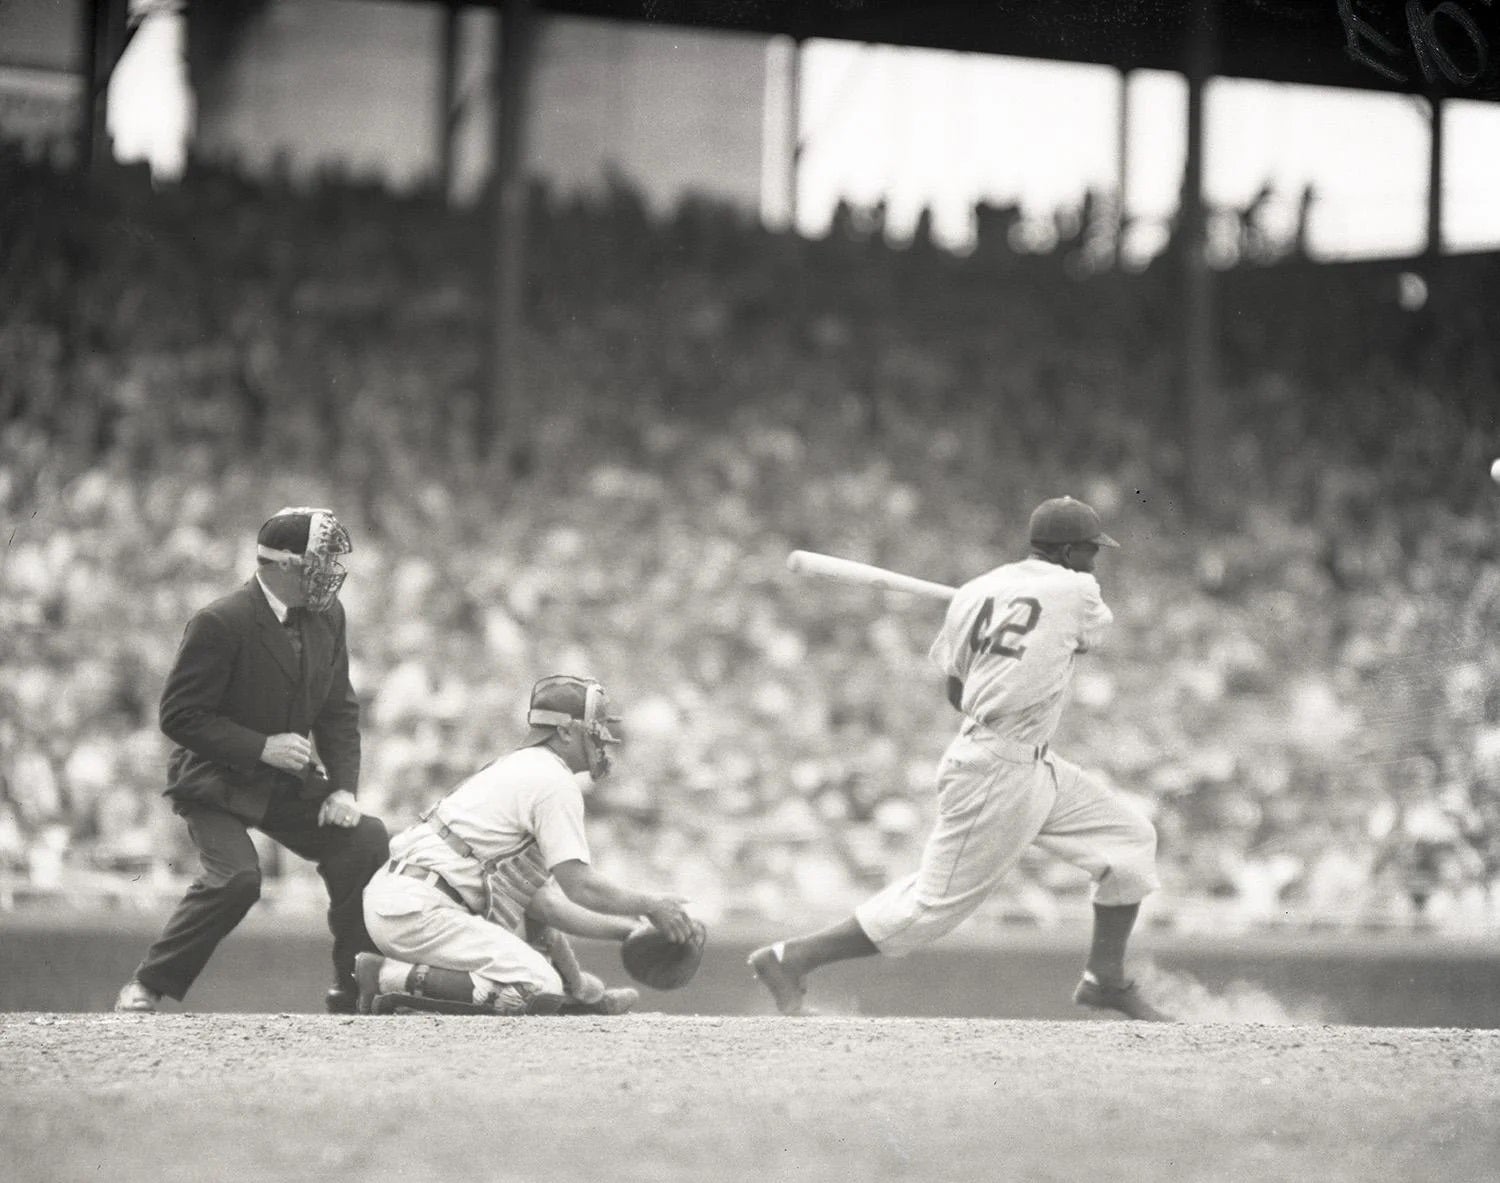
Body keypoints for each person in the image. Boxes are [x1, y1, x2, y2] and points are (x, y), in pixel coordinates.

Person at [750, 496, 1172, 1021]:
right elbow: (1089, 637)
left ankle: (1104, 979)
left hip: (1026, 758)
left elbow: (957, 692)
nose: (1095, 561)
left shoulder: (975, 592)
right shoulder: (1078, 588)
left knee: (1128, 844)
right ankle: (790, 959)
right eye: (1090, 551)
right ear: (1067, 551)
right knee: (931, 909)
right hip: (997, 767)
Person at [114, 507, 390, 1015]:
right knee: (238, 880)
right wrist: (259, 746)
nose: (331, 571)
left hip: (285, 783)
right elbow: (179, 716)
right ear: (283, 565)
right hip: (216, 780)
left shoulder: (330, 615)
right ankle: (148, 984)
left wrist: (343, 789)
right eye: (320, 560)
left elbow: (338, 710)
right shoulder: (220, 621)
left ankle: (352, 986)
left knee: (366, 840)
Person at [357, 675, 700, 1016]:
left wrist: (629, 931)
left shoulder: (522, 769)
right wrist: (651, 905)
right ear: (565, 731)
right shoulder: (553, 781)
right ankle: (389, 977)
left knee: (535, 959)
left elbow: (544, 905)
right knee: (535, 985)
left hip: (407, 901)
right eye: (593, 727)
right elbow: (579, 886)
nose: (603, 738)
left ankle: (575, 998)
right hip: (421, 909)